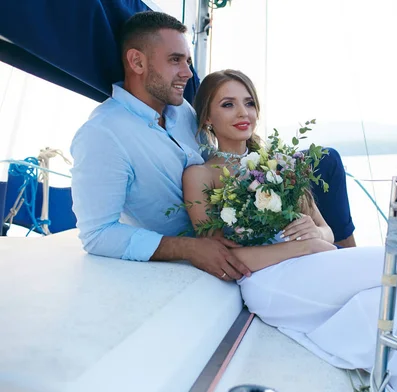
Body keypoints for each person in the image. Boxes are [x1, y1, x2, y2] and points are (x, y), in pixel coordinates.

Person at [183, 69, 397, 392]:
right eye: (228, 104)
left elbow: (327, 232)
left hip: (312, 264)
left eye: (248, 103)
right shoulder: (201, 174)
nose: (243, 113)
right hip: (267, 280)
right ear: (207, 117)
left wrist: (313, 232)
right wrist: (304, 248)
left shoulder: (278, 164)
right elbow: (222, 258)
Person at [69, 11, 355, 282]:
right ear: (137, 62)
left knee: (326, 160)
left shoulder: (181, 112)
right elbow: (97, 233)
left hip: (241, 215)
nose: (188, 73)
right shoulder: (102, 134)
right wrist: (188, 248)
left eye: (188, 61)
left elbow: (226, 154)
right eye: (175, 60)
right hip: (214, 237)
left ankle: (347, 254)